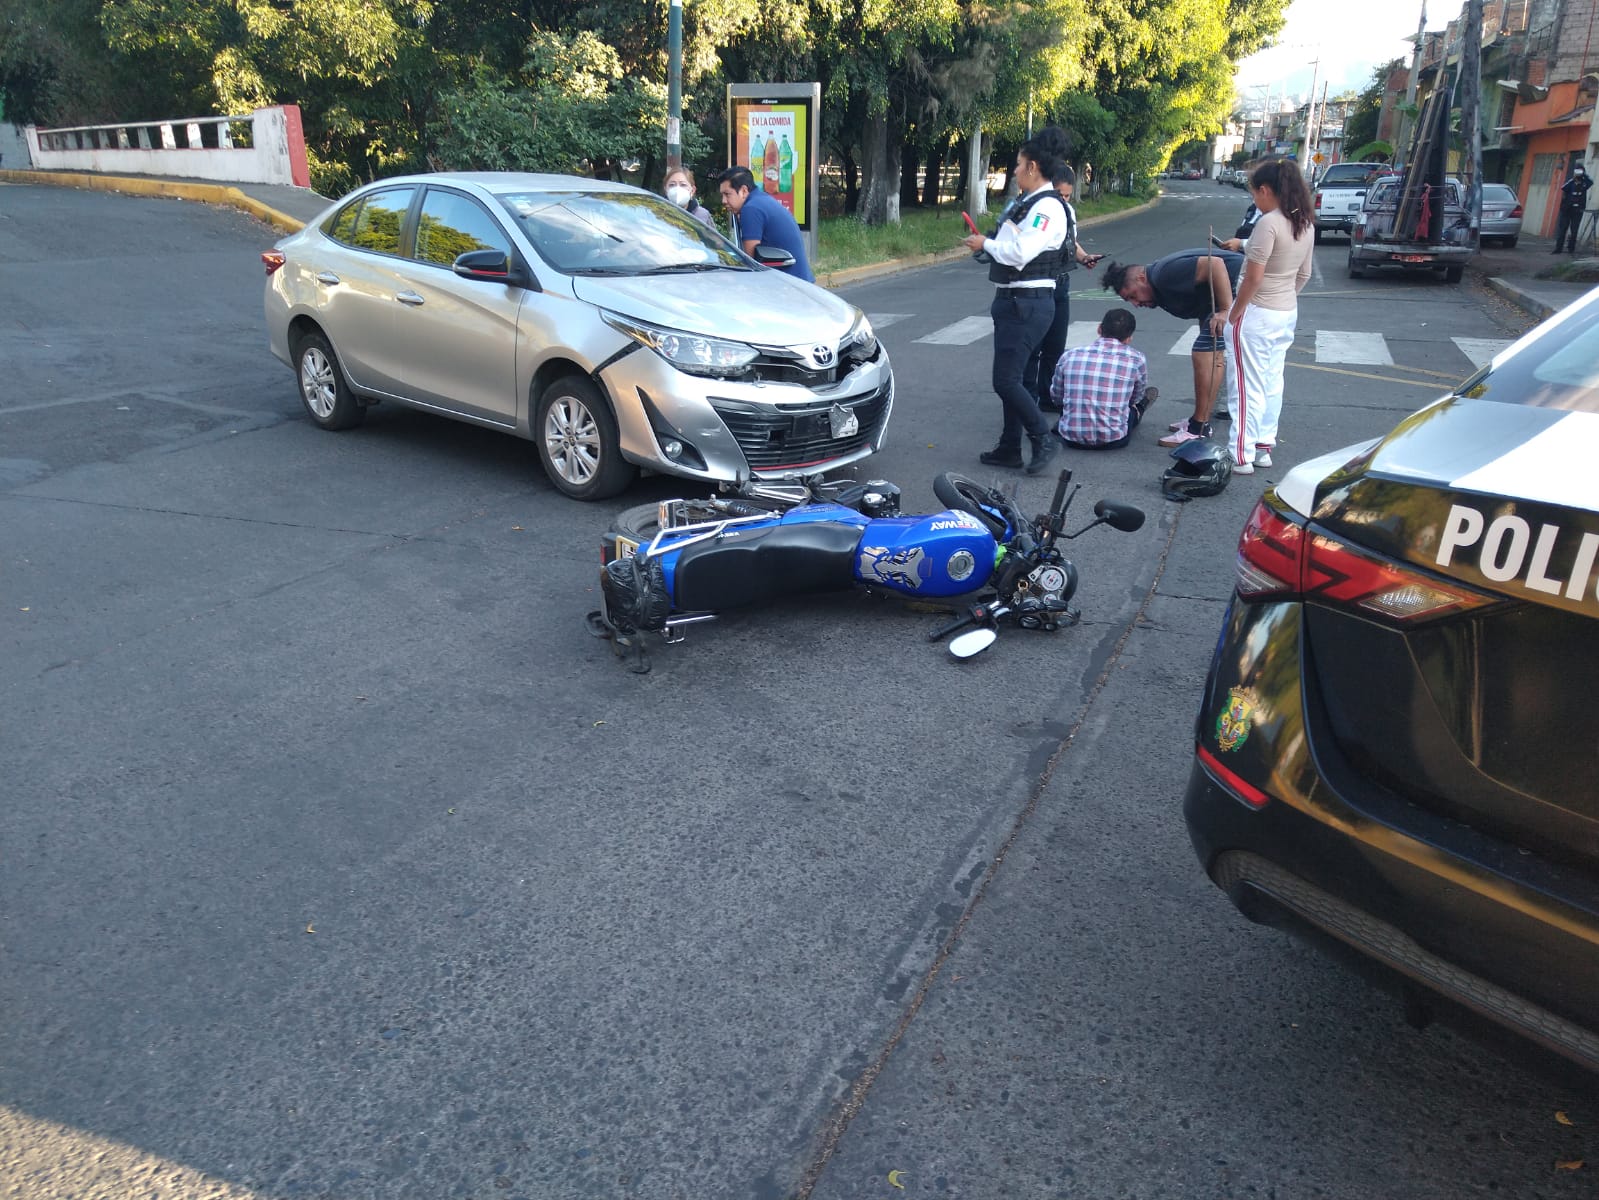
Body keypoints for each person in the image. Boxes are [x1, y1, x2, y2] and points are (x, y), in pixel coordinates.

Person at [960, 128, 1073, 475]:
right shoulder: (1026, 204)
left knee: (1005, 380)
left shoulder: (1048, 207)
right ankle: (1010, 446)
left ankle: (1042, 438)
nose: (1014, 171)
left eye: (1019, 164)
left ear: (1034, 167)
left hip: (1028, 303)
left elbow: (1021, 252)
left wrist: (987, 246)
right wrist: (989, 245)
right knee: (1019, 378)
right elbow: (1007, 245)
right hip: (1015, 301)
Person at [1220, 157, 1315, 475]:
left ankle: (1240, 454)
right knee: (1273, 380)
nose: (1254, 200)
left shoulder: (1269, 222)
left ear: (1264, 190)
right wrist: (1285, 298)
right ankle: (1262, 447)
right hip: (1285, 311)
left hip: (1256, 312)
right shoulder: (1303, 222)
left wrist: (1235, 311)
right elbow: (1304, 274)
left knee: (1246, 386)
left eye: (1254, 194)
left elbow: (1253, 277)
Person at [1102, 246, 1244, 445]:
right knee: (1210, 350)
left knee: (1203, 353)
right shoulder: (1159, 282)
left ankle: (1198, 429)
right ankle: (1200, 422)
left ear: (1141, 278)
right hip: (1225, 296)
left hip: (1245, 285)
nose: (1135, 303)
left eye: (1133, 295)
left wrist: (1225, 310)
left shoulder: (1163, 275)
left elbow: (1215, 264)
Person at [1027, 162, 1106, 412]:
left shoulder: (1067, 211)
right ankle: (1026, 401)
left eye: (1067, 195)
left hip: (1061, 285)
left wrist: (1083, 257)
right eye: (1059, 194)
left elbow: (1070, 240)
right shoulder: (1035, 209)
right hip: (1039, 285)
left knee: (1055, 346)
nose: (1063, 200)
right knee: (1033, 349)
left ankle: (1048, 397)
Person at [1050, 307, 1155, 450]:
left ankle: (1068, 421)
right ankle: (1141, 408)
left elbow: (1057, 396)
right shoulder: (1136, 359)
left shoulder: (1070, 355)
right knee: (1133, 410)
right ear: (1129, 338)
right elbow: (1134, 398)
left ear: (1099, 328)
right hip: (1113, 439)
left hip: (1070, 438)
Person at [716, 166, 813, 282]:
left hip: (788, 285)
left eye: (727, 194)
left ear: (744, 191)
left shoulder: (751, 209)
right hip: (799, 281)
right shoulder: (761, 200)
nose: (723, 201)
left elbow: (750, 263)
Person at [1553, 162, 1592, 254]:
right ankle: (1558, 249)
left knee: (1574, 231)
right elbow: (1563, 188)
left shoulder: (1585, 183)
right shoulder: (1570, 182)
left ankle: (1571, 249)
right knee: (1562, 230)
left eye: (1580, 171)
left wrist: (1584, 175)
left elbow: (1591, 182)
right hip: (1567, 210)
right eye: (1577, 171)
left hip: (1578, 211)